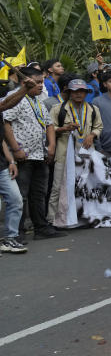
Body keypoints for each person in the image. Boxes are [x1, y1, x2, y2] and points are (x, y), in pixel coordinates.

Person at [2, 67, 64, 239]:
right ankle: (17, 232)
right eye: (37, 83)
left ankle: (41, 227)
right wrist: (16, 149)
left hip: (39, 154)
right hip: (23, 155)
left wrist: (51, 145)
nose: (41, 86)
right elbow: (5, 122)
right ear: (25, 82)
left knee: (39, 193)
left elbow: (49, 123)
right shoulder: (15, 98)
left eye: (42, 82)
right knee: (20, 195)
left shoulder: (37, 100)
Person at [48, 78, 103, 219]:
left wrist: (92, 135)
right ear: (69, 93)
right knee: (59, 186)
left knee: (86, 185)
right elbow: (49, 129)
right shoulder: (58, 109)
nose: (79, 94)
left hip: (86, 152)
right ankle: (54, 219)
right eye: (75, 91)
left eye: (82, 91)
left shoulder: (93, 109)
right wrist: (63, 128)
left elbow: (99, 126)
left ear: (86, 93)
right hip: (64, 153)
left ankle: (85, 216)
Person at [0, 73, 40, 250]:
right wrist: (25, 88)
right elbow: (6, 104)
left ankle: (10, 237)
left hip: (2, 165)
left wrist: (10, 161)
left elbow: (0, 139)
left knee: (15, 199)